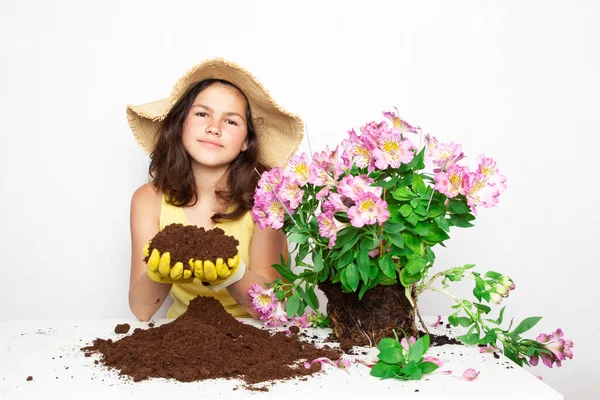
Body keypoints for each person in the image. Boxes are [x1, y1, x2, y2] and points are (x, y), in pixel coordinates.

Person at [126, 58, 304, 322]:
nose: (214, 128)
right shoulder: (148, 200)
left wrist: (232, 273)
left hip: (254, 339)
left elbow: (276, 307)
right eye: (202, 114)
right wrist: (159, 272)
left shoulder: (267, 203)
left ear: (246, 141)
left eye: (231, 121)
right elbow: (142, 310)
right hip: (178, 341)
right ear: (181, 125)